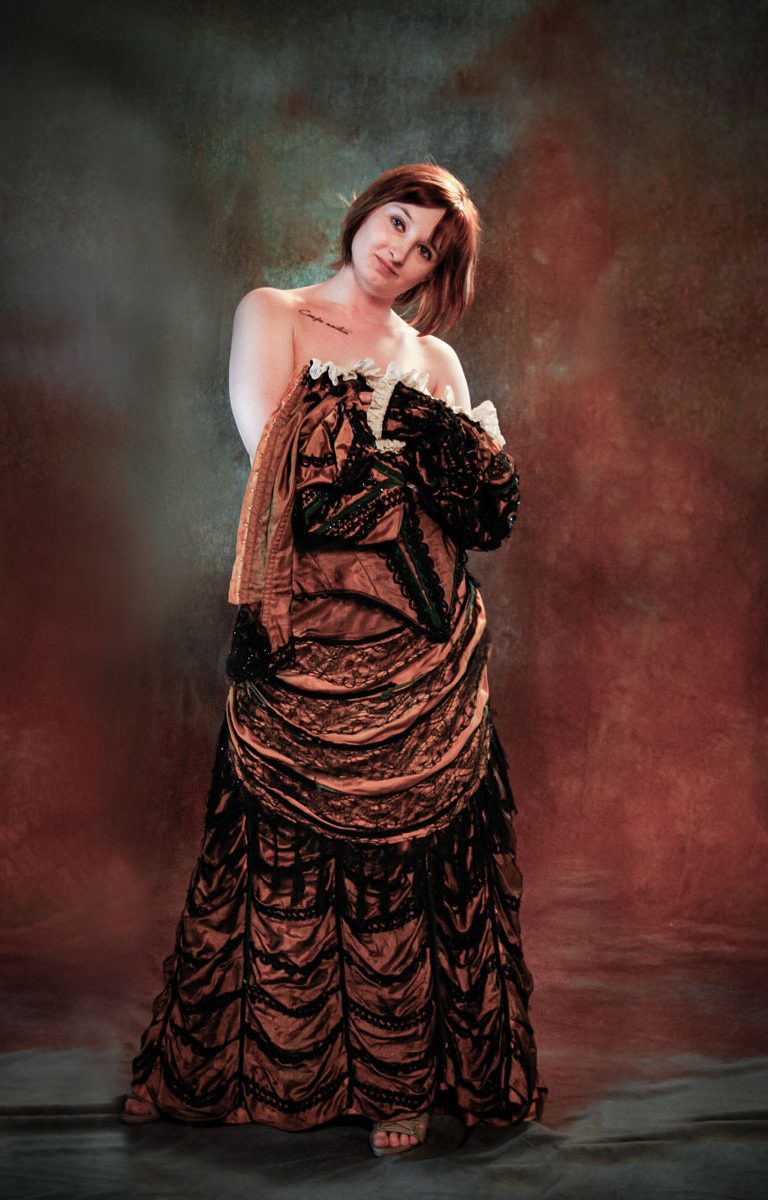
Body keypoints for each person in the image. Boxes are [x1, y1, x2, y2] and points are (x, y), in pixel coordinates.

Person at [121, 162, 545, 1156]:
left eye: (426, 247)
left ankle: (405, 1082)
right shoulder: (272, 313)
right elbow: (279, 470)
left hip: (422, 653)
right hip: (304, 633)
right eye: (397, 221)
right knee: (282, 868)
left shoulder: (434, 360)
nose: (401, 249)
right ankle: (263, 1076)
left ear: (437, 271)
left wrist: (430, 459)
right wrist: (401, 463)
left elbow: (469, 515)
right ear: (365, 213)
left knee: (410, 869)